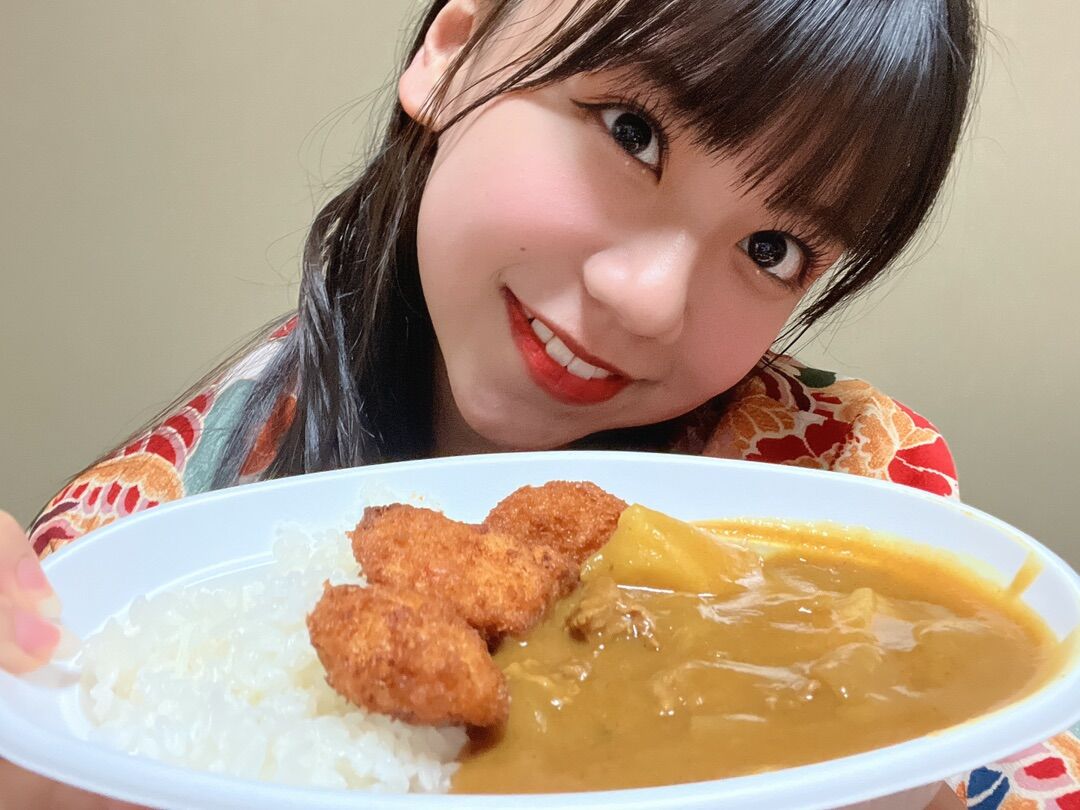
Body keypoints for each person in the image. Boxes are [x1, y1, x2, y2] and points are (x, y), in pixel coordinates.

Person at [1, 0, 1075, 806]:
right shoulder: (119, 567)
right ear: (450, 50)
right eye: (631, 129)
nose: (647, 299)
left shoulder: (864, 478)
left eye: (771, 248)